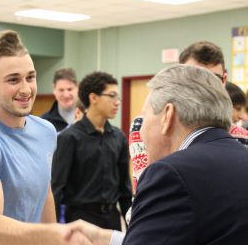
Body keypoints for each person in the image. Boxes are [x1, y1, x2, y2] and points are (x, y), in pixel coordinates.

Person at [69, 64, 248, 245]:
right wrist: (107, 238)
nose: (141, 129)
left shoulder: (170, 174)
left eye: (144, 116)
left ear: (167, 115)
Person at [0, 30, 91, 245]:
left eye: (30, 77)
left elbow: (44, 194)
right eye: (13, 80)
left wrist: (54, 240)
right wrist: (57, 234)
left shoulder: (46, 131)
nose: (26, 89)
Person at [52, 71, 132, 230]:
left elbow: (125, 189)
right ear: (93, 97)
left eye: (118, 97)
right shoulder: (69, 138)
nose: (117, 102)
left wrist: (132, 227)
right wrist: (53, 230)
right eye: (112, 96)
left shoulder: (118, 137)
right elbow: (57, 188)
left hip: (112, 220)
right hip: (80, 221)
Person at [179, 40, 248, 147]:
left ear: (224, 80)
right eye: (193, 77)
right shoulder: (147, 131)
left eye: (212, 78)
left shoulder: (242, 140)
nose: (202, 87)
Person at [41, 68, 78, 132]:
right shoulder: (44, 123)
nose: (66, 95)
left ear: (77, 88)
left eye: (69, 89)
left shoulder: (89, 118)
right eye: (61, 90)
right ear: (54, 90)